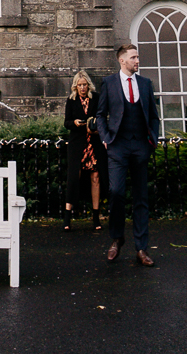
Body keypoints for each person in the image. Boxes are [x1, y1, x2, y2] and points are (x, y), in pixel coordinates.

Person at [91, 41, 161, 266]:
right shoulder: (109, 83)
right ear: (122, 60)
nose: (137, 61)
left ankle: (141, 248)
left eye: (138, 58)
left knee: (141, 198)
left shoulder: (145, 83)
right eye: (133, 58)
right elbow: (100, 115)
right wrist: (105, 137)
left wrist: (153, 141)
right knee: (116, 192)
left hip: (141, 146)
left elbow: (153, 116)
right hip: (117, 146)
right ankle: (117, 238)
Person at [62, 70, 102, 231]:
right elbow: (66, 123)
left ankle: (96, 218)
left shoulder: (96, 98)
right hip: (77, 143)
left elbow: (102, 117)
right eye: (79, 85)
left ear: (89, 85)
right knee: (73, 178)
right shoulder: (71, 101)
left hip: (93, 143)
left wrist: (95, 126)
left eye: (84, 85)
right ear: (75, 86)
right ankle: (67, 218)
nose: (82, 88)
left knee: (96, 177)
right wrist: (76, 123)